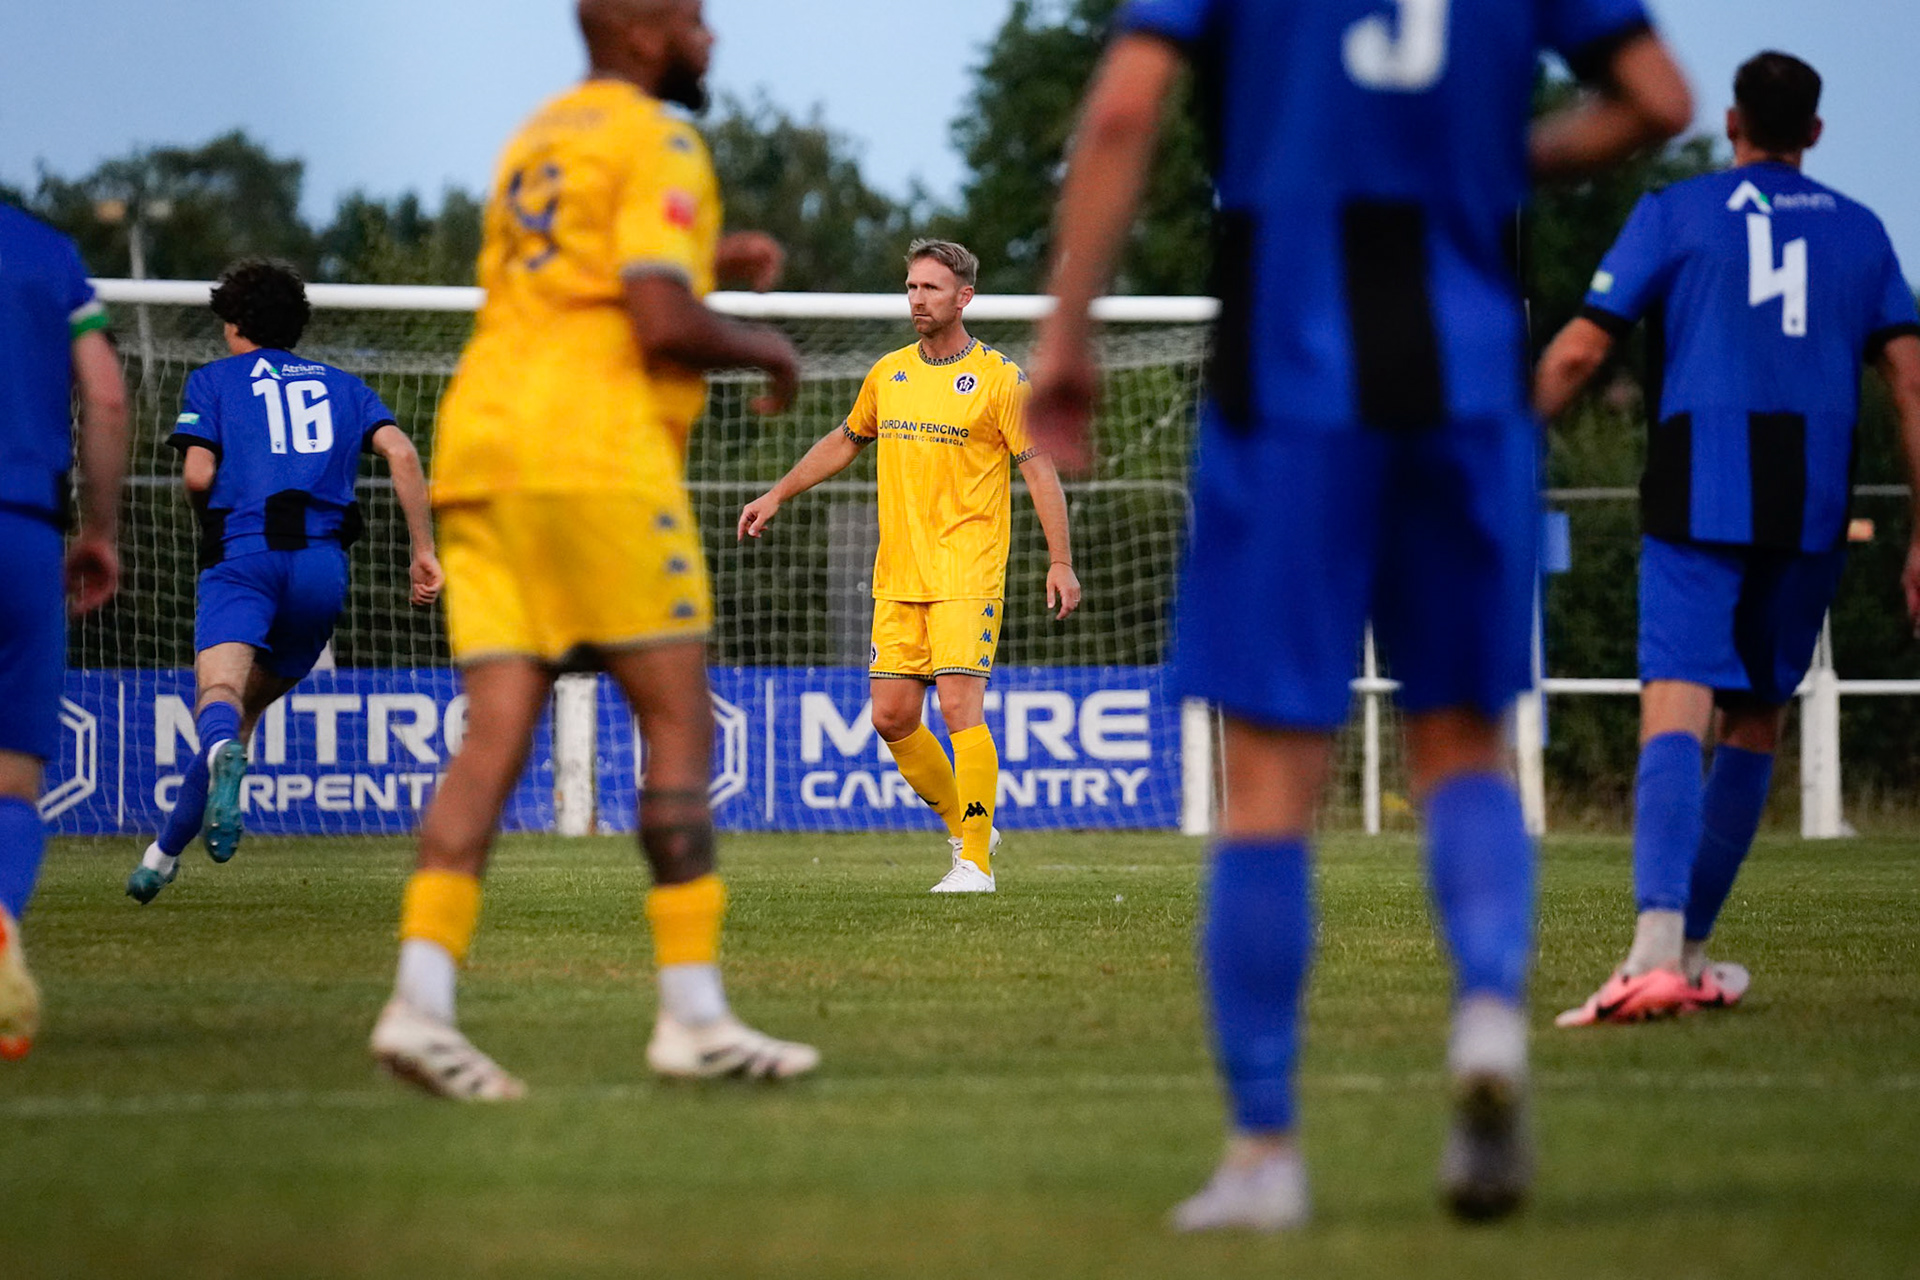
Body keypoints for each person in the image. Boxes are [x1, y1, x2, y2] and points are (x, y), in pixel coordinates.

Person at [1026, 0, 1690, 1230]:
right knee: (1463, 747)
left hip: (1288, 379)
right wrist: (1503, 156)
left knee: (1268, 785)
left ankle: (1264, 1149)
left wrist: (1067, 336)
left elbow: (1121, 111)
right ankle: (1486, 1007)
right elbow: (1659, 99)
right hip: (1471, 376)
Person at [368, 0, 817, 1101]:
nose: (710, 38)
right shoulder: (658, 134)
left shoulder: (537, 135)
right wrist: (770, 350)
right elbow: (658, 321)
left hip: (480, 447)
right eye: (695, 19)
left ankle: (420, 1000)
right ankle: (694, 1013)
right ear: (642, 29)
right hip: (593, 455)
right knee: (677, 722)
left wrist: (714, 254)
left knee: (494, 735)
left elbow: (580, 277)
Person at [1537, 52, 1920, 1027]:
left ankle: (1654, 951)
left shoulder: (1678, 211)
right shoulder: (1864, 231)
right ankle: (1693, 954)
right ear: (1816, 133)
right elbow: (1912, 384)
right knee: (1754, 720)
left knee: (1676, 700)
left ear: (1735, 121)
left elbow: (1581, 350)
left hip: (1700, 483)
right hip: (1811, 499)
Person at [739, 239, 1081, 893]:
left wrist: (1059, 560)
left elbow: (1040, 472)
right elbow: (846, 439)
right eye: (911, 288)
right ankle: (969, 825)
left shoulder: (1001, 380)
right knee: (891, 717)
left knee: (958, 707)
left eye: (930, 288)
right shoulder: (888, 373)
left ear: (964, 297)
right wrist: (777, 493)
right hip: (899, 574)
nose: (917, 300)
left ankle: (974, 863)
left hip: (967, 569)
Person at [124, 259, 443, 903]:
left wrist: (211, 522)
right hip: (321, 570)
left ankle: (205, 784)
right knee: (240, 717)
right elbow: (403, 453)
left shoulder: (214, 381)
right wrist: (423, 551)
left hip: (244, 555)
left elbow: (196, 475)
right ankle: (160, 858)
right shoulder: (344, 386)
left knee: (218, 696)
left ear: (234, 325)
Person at [0, 202, 130, 1058]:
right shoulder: (46, 253)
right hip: (22, 533)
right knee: (11, 788)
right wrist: (100, 529)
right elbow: (107, 398)